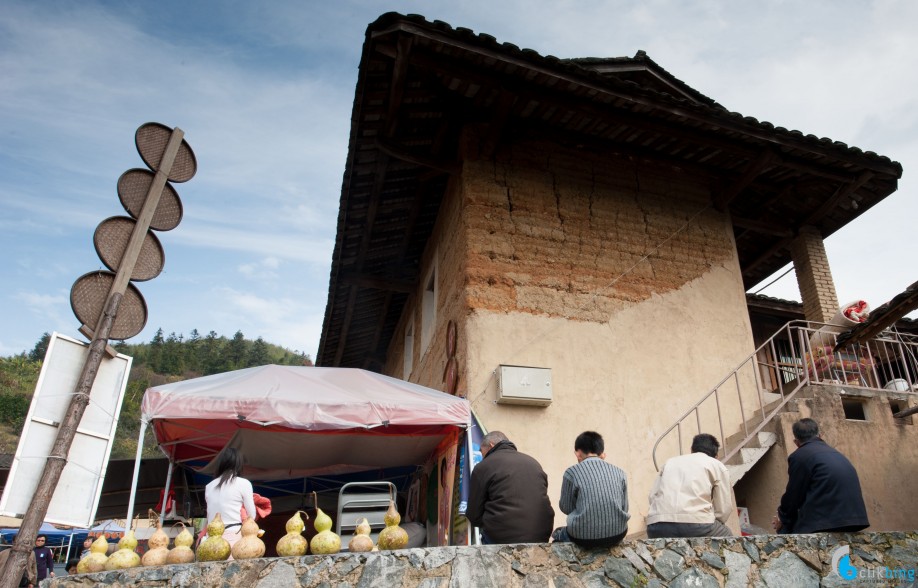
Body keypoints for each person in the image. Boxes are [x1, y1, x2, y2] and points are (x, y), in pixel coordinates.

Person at [773, 418, 869, 534]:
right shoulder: (836, 454)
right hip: (855, 519)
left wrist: (782, 517)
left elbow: (794, 494)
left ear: (796, 442)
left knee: (786, 530)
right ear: (820, 435)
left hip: (826, 521)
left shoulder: (800, 456)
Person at [466, 431, 554, 544]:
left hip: (501, 538)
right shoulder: (533, 462)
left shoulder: (484, 466)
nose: (483, 457)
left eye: (482, 453)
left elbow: (474, 514)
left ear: (491, 445)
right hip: (541, 535)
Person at [646, 433, 736, 538]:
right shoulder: (716, 465)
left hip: (656, 527)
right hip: (696, 526)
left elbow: (652, 496)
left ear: (692, 450)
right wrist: (711, 520)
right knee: (728, 538)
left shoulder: (669, 463)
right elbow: (724, 508)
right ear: (716, 456)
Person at [551, 431, 629, 547]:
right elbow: (625, 508)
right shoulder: (620, 472)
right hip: (617, 534)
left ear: (578, 453)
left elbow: (566, 508)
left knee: (558, 534)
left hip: (583, 537)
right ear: (601, 452)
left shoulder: (571, 473)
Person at [205, 447, 256, 550]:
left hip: (210, 540)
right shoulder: (244, 483)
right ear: (238, 464)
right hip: (233, 536)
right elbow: (252, 516)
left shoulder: (209, 486)